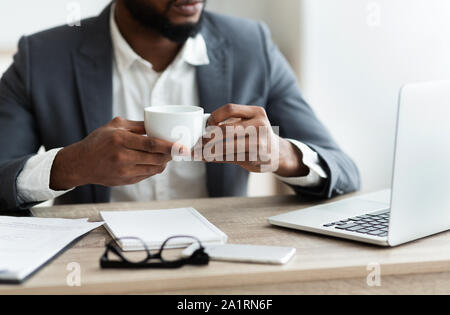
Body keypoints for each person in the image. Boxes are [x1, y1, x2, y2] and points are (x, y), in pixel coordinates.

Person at [0, 0, 360, 212]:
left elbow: (344, 170)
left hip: (218, 267)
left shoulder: (252, 47)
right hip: (93, 270)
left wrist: (282, 154)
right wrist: (72, 165)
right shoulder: (41, 58)